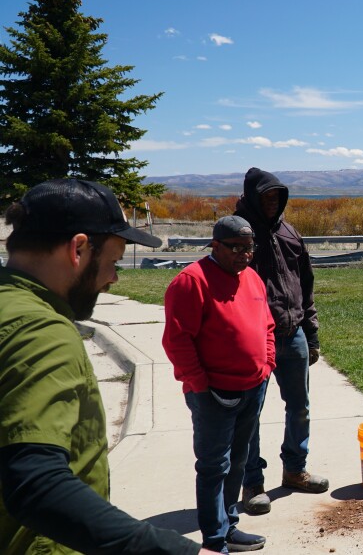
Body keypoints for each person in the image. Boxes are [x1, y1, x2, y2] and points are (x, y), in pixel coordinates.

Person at [0, 178, 214, 554]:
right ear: (79, 248)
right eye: (113, 262)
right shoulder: (41, 331)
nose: (114, 278)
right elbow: (37, 484)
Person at [163, 216, 275, 553]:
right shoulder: (191, 281)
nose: (244, 254)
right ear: (215, 245)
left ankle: (229, 526)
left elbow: (267, 326)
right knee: (214, 466)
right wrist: (198, 383)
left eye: (249, 248)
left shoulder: (252, 278)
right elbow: (177, 340)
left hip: (253, 387)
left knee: (238, 461)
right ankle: (214, 541)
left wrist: (267, 364)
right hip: (213, 394)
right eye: (235, 248)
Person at [233, 168, 327, 515]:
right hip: (255, 338)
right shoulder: (239, 233)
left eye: (277, 197)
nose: (272, 203)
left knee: (300, 406)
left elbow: (306, 284)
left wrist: (311, 333)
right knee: (250, 414)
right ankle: (252, 483)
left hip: (293, 332)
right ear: (253, 198)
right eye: (266, 197)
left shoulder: (289, 232)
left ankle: (294, 470)